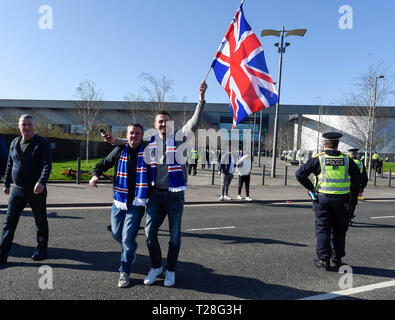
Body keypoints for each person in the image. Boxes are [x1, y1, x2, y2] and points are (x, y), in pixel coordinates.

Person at [103, 80, 208, 287]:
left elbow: (195, 122)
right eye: (159, 121)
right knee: (150, 235)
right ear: (155, 124)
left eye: (166, 121)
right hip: (156, 196)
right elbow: (131, 142)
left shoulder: (180, 137)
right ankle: (156, 265)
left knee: (175, 237)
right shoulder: (150, 142)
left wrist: (201, 99)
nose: (163, 124)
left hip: (176, 196)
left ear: (171, 123)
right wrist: (116, 141)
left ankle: (170, 269)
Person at [90, 123, 149, 288]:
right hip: (119, 201)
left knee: (127, 238)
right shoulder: (119, 150)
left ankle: (125, 271)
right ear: (127, 134)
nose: (134, 136)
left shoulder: (148, 153)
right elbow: (102, 164)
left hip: (137, 203)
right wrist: (95, 176)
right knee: (116, 234)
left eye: (137, 133)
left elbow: (155, 175)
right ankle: (131, 248)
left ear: (141, 135)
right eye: (131, 133)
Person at [295, 132, 361, 270]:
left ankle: (324, 260)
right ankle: (337, 259)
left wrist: (312, 189)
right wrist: (352, 196)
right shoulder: (347, 159)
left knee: (323, 229)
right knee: (339, 230)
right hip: (342, 200)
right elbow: (357, 179)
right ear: (337, 144)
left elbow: (299, 174)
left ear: (325, 144)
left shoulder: (319, 159)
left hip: (322, 199)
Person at [0, 114, 52, 266]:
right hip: (17, 190)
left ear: (33, 126)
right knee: (9, 222)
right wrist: (7, 183)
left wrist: (41, 182)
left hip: (36, 190)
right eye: (24, 124)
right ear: (19, 126)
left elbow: (47, 165)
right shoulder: (14, 142)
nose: (27, 127)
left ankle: (42, 249)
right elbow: (10, 164)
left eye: (29, 124)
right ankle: (3, 253)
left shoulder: (42, 143)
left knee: (40, 221)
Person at [347, 148, 368, 226]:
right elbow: (364, 176)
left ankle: (347, 217)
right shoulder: (360, 163)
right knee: (353, 202)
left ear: (349, 154)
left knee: (346, 202)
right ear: (356, 154)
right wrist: (362, 186)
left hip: (345, 184)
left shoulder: (346, 161)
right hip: (356, 186)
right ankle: (350, 216)